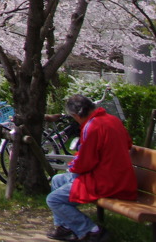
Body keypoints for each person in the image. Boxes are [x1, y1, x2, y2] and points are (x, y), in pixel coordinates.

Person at [45, 94, 137, 242]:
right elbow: (128, 143)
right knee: (56, 180)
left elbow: (86, 162)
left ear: (76, 115)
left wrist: (73, 167)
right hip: (119, 175)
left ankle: (91, 230)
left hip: (106, 180)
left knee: (54, 200)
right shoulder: (113, 120)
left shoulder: (92, 127)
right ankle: (65, 227)